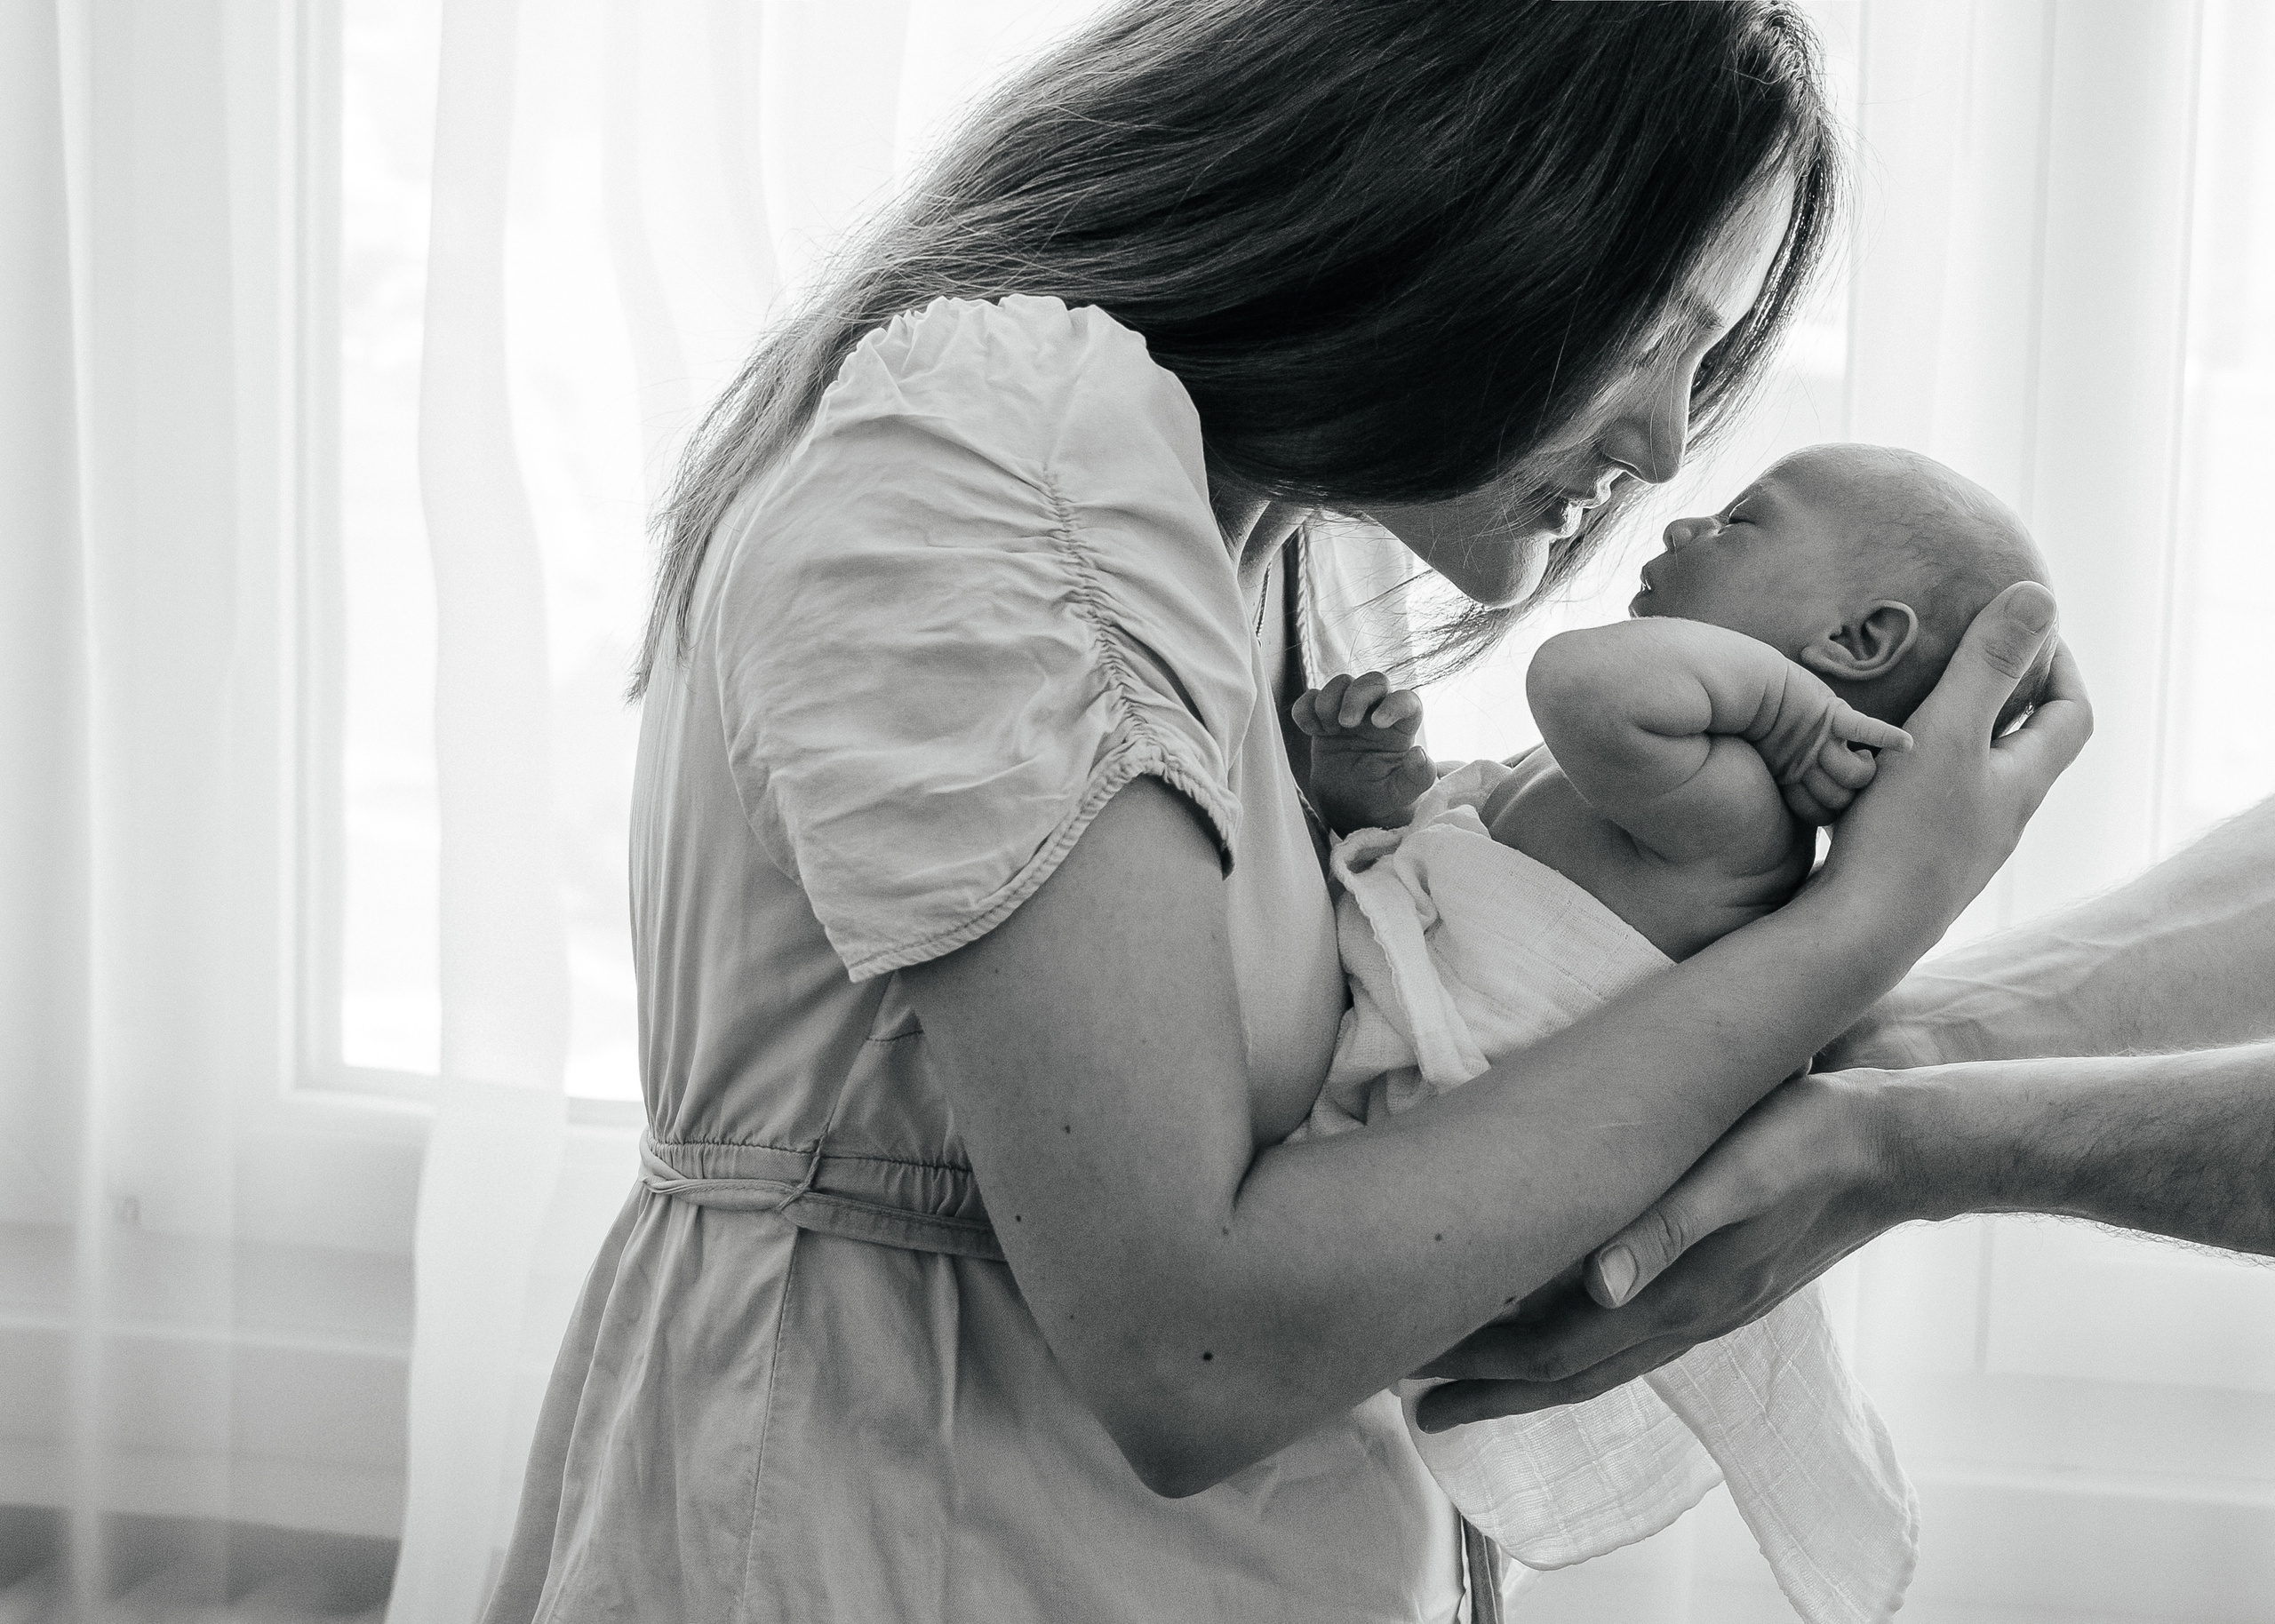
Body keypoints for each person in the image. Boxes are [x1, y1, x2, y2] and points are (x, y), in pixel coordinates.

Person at [480, 5, 2091, 1622]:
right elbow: (1197, 1350)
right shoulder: (998, 462)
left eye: (1704, 361)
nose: (1671, 445)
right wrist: (1861, 923)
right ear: (1438, 200)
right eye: (1647, 331)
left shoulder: (1288, 547)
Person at [1277, 445, 2049, 1617]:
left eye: (1741, 523)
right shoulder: (1655, 781)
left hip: (1464, 1162)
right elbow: (1460, 883)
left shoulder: (1741, 806)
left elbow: (1575, 679)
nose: (1683, 528)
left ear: (1857, 644)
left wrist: (1784, 712)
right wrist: (1378, 796)